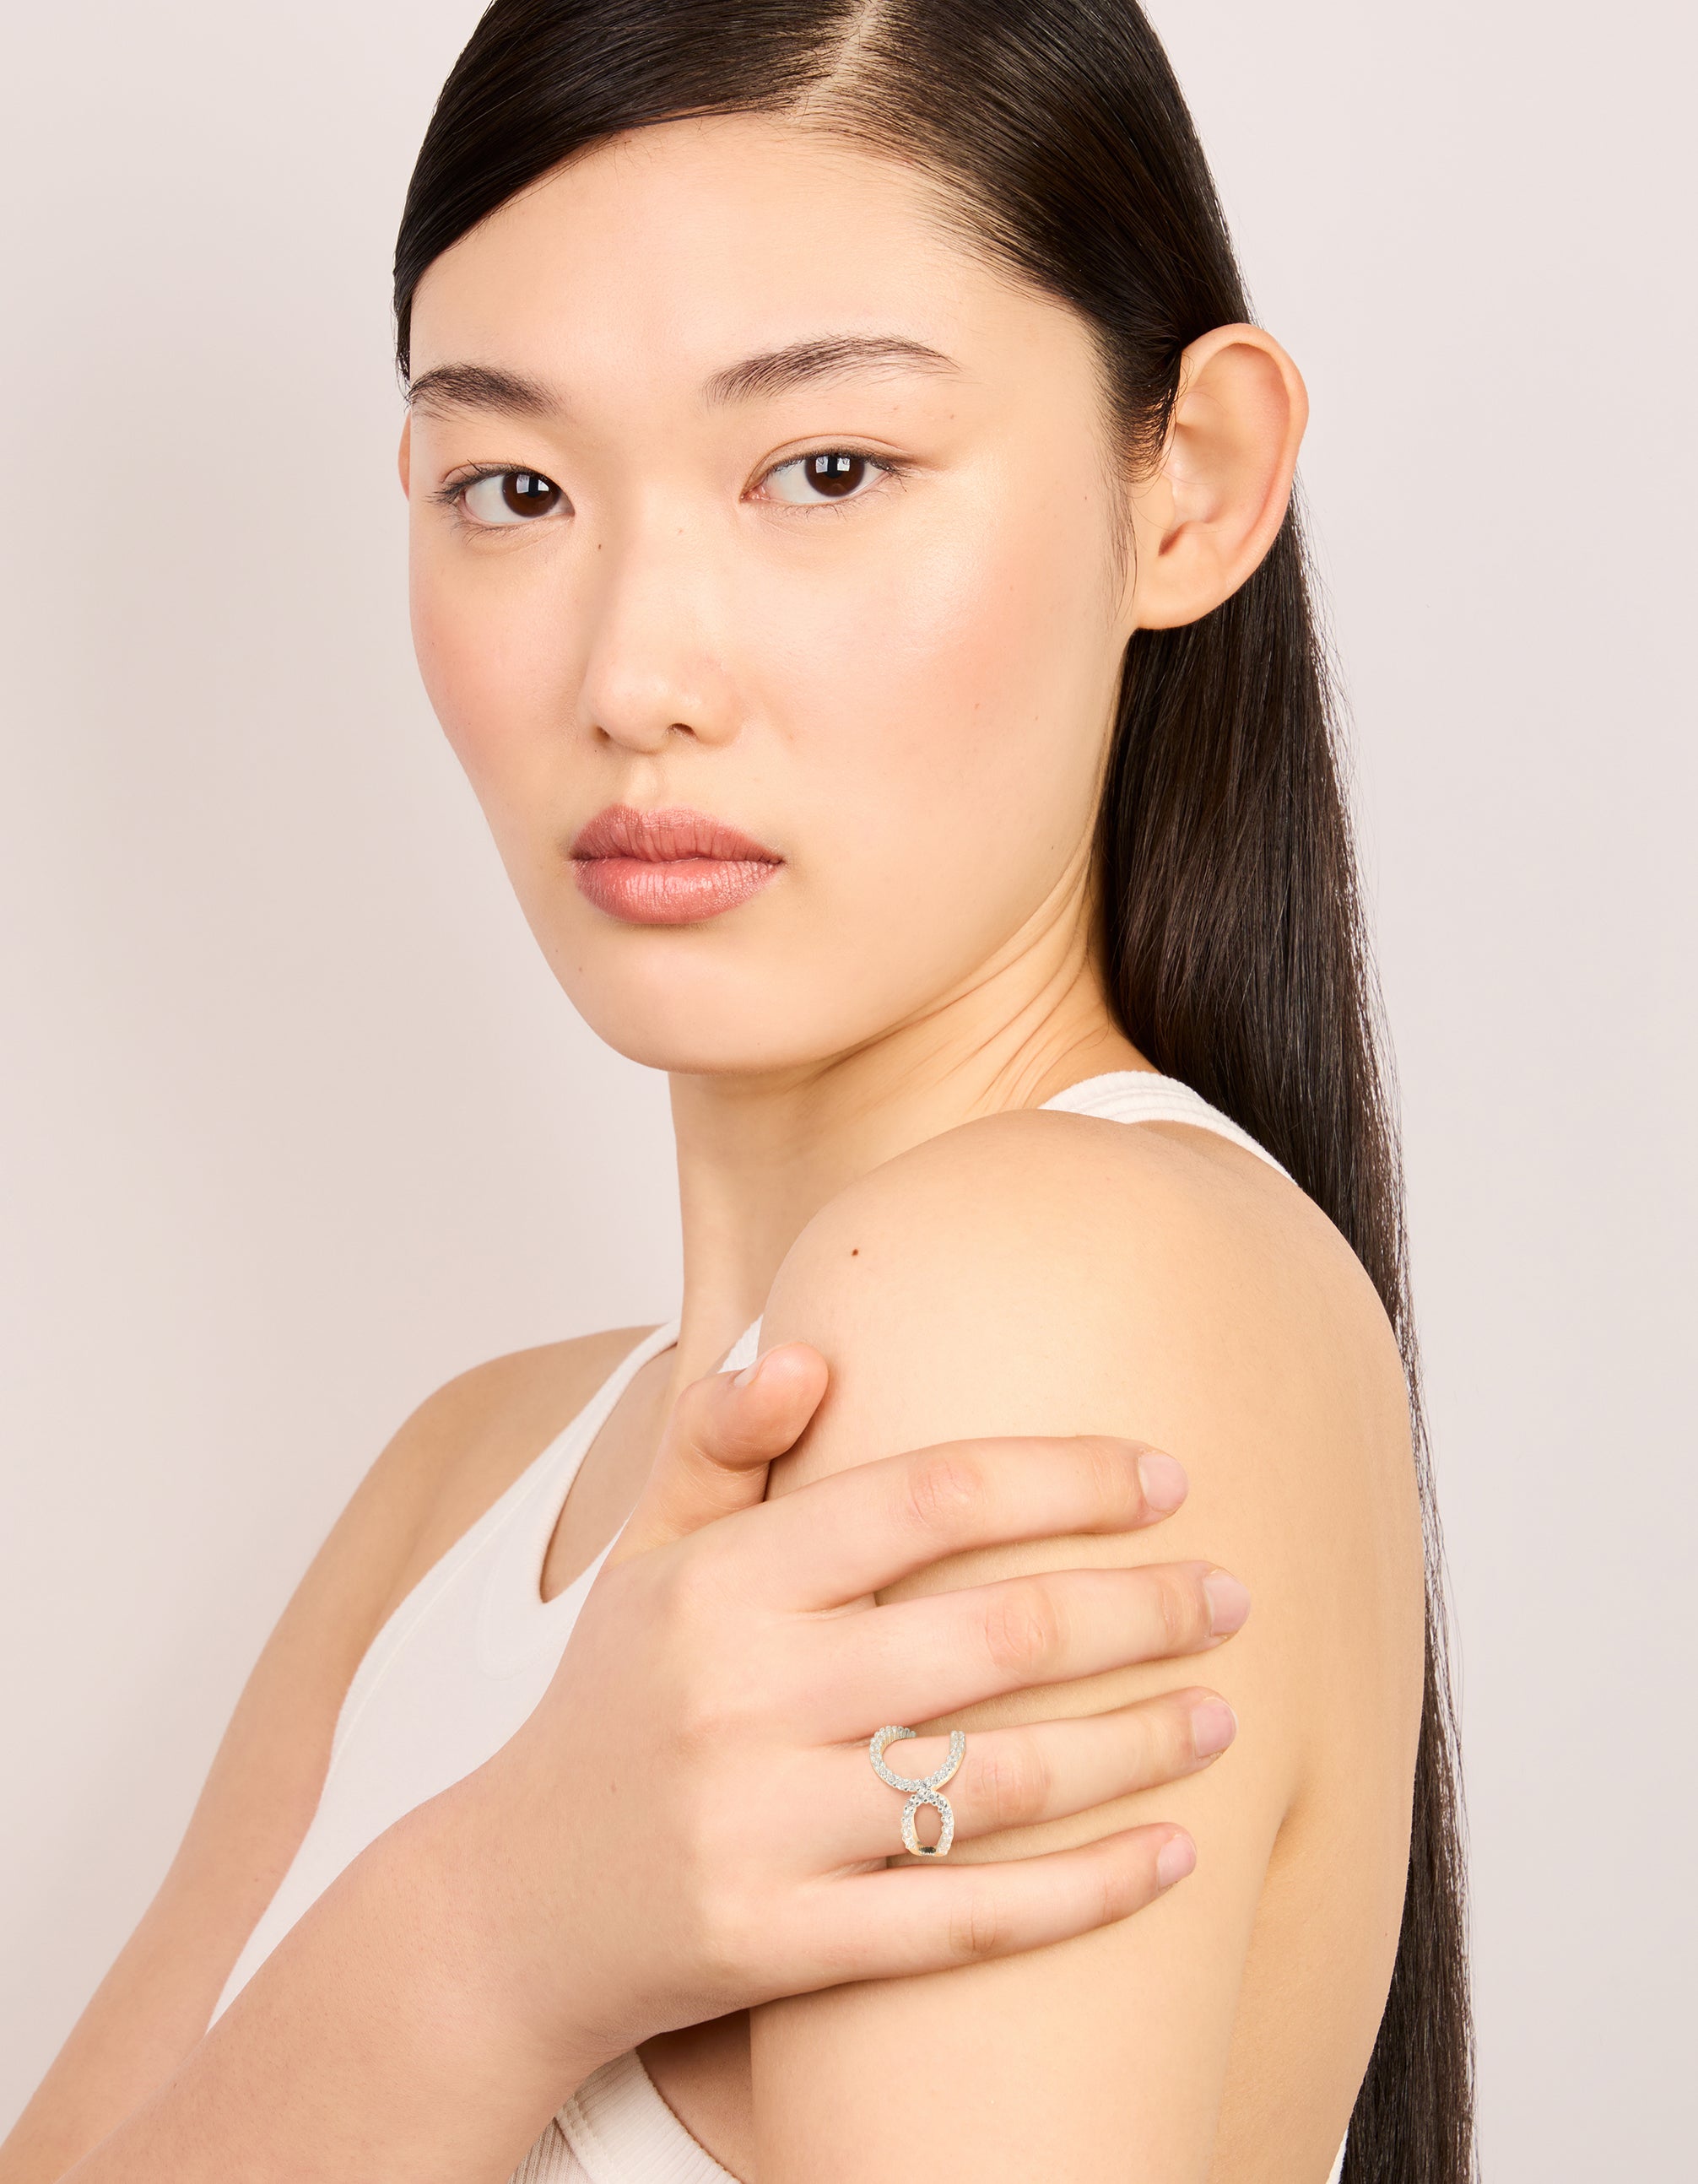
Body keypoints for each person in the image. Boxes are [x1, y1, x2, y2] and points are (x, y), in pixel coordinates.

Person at [0, 3, 1471, 2180]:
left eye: (828, 471)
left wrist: (489, 1946)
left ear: (1195, 479)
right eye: (513, 489)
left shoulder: (1050, 1290)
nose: (633, 676)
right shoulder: (464, 1480)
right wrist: (481, 1929)